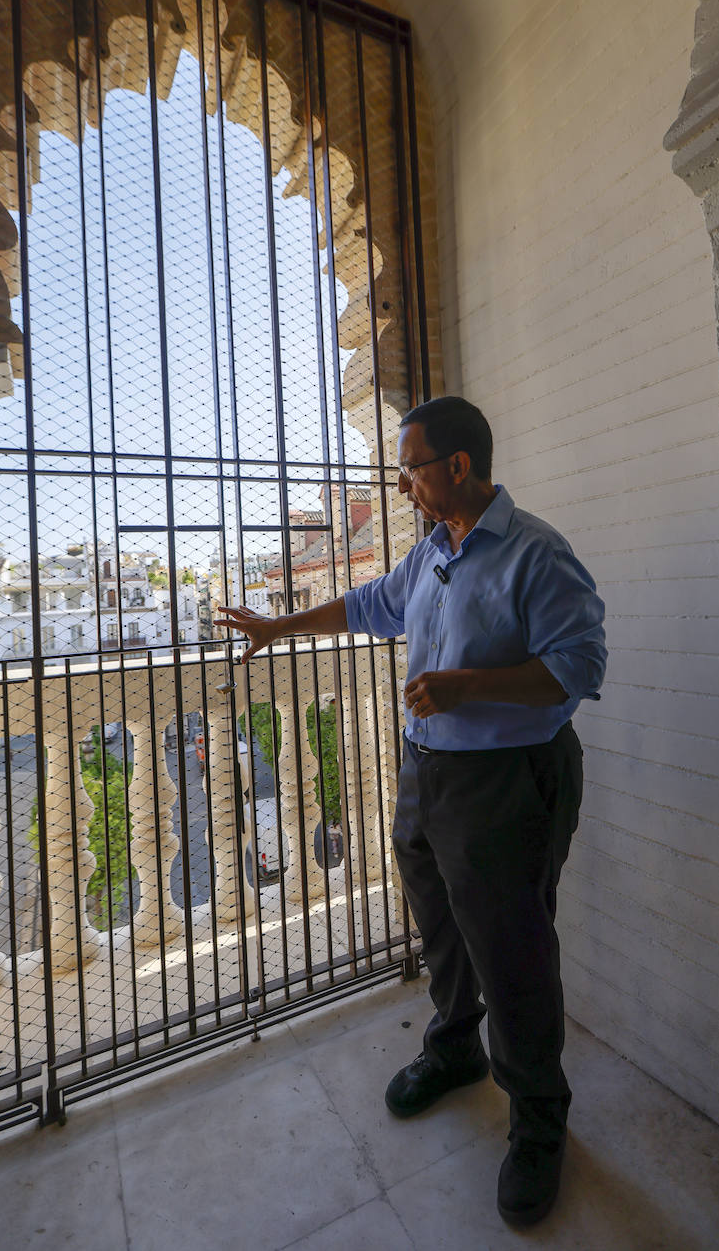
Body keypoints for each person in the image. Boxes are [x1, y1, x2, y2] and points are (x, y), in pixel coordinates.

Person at [215, 396, 606, 1226]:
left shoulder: (535, 552)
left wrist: (469, 687)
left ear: (457, 466)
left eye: (411, 468)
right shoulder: (431, 554)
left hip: (505, 781)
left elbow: (579, 665)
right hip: (426, 776)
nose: (401, 486)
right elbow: (366, 606)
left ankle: (539, 1121)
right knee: (442, 925)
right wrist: (280, 626)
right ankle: (456, 1046)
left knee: (514, 949)